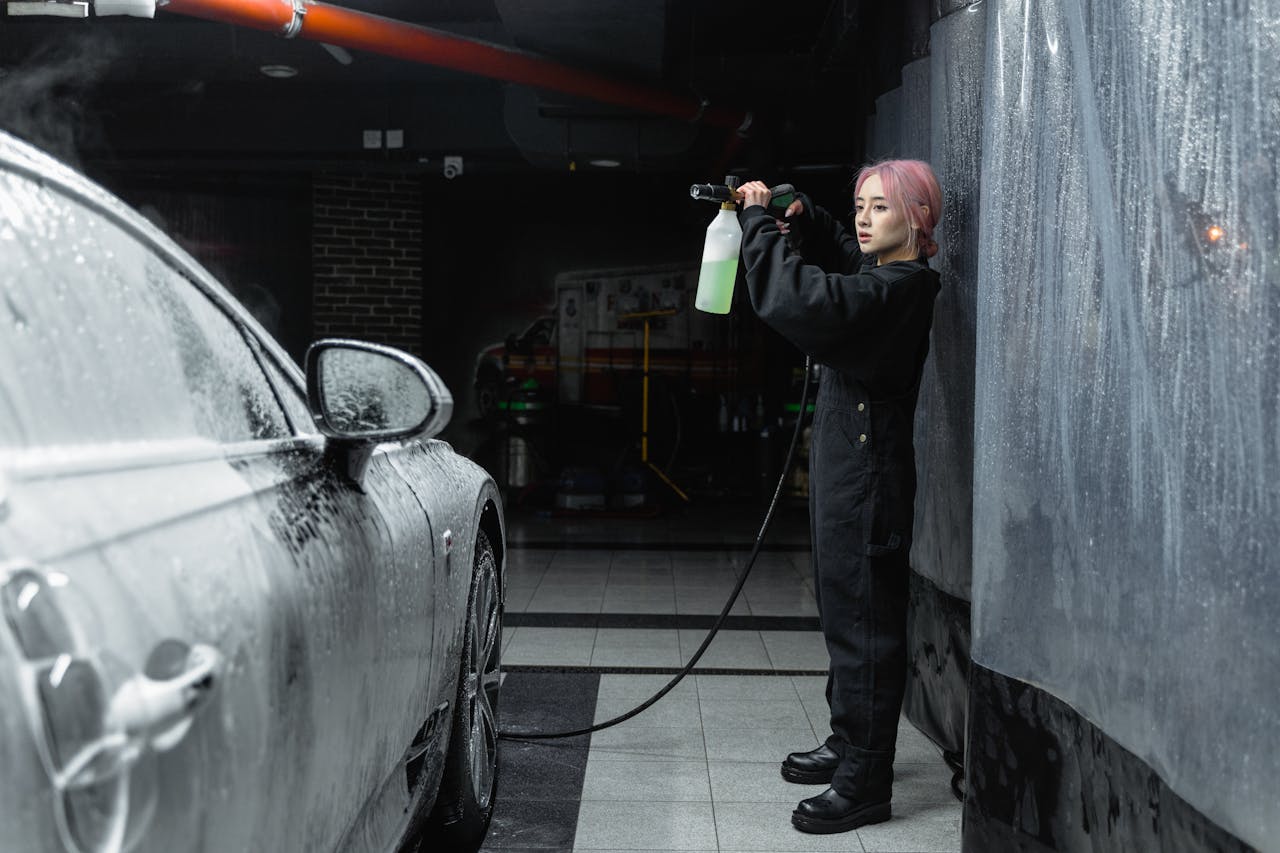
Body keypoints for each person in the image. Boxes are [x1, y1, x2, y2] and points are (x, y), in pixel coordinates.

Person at [736, 160, 943, 834]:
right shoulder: (879, 273)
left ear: (915, 219)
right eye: (859, 204)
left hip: (869, 485)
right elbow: (844, 255)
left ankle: (866, 781)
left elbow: (807, 300)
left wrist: (760, 226)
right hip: (845, 476)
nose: (862, 217)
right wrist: (808, 216)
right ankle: (849, 740)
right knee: (843, 617)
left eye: (879, 207)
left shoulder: (899, 291)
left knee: (867, 630)